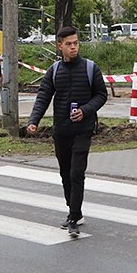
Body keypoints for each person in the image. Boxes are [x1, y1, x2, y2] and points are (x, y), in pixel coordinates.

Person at [27, 26, 108, 236]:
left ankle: (73, 218)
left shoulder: (91, 68)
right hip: (61, 130)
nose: (73, 47)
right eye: (69, 44)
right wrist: (33, 121)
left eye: (76, 43)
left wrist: (85, 110)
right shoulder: (54, 71)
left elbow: (101, 95)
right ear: (60, 46)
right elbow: (43, 97)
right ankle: (74, 209)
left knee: (76, 172)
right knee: (65, 173)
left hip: (83, 129)